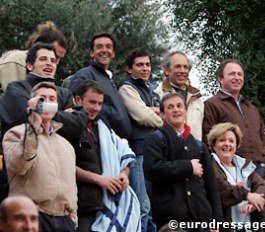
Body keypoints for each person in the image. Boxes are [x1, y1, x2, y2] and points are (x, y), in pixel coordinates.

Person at [0, 42, 87, 203]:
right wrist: (62, 115)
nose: (49, 63)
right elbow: (21, 116)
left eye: (53, 60)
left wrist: (41, 110)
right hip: (24, 181)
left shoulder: (65, 93)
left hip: (59, 187)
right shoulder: (16, 88)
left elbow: (79, 124)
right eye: (43, 59)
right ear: (29, 65)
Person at [2, 82, 77, 232]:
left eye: (52, 99)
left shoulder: (66, 145)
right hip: (31, 218)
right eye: (42, 98)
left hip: (64, 222)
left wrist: (73, 218)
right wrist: (34, 126)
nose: (47, 102)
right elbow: (19, 165)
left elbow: (72, 187)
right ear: (32, 103)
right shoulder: (16, 133)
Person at [143, 92, 223, 231]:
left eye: (179, 106)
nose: (176, 110)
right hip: (171, 219)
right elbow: (152, 169)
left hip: (200, 218)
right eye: (170, 107)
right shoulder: (155, 140)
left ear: (186, 112)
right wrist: (188, 167)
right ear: (162, 115)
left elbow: (211, 185)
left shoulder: (199, 146)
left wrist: (216, 220)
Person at [74, 80, 140, 232]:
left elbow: (124, 152)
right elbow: (63, 166)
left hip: (105, 201)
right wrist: (99, 179)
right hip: (82, 206)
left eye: (99, 103)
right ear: (78, 100)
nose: (96, 108)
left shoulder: (104, 128)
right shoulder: (69, 127)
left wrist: (124, 174)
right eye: (92, 102)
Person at [118, 48, 162, 232]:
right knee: (142, 207)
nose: (145, 68)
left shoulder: (154, 90)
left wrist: (153, 109)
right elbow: (142, 116)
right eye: (140, 65)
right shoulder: (127, 88)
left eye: (148, 64)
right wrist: (163, 115)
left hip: (157, 154)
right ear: (130, 69)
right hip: (139, 154)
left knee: (154, 208)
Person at [202, 59, 265, 175]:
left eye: (240, 74)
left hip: (259, 169)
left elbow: (263, 138)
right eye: (232, 74)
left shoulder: (252, 109)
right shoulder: (212, 105)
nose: (237, 77)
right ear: (220, 79)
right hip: (231, 169)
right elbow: (207, 139)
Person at [69, 32, 131, 140]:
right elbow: (76, 106)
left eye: (108, 47)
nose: (104, 50)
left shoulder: (109, 79)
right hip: (98, 141)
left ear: (113, 53)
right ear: (92, 53)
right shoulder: (85, 75)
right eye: (99, 47)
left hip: (116, 142)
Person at [207, 122, 265, 231]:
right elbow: (221, 189)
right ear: (214, 145)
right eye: (222, 140)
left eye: (231, 141)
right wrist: (247, 195)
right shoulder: (210, 167)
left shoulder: (244, 165)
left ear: (237, 145)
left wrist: (254, 202)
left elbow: (261, 185)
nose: (227, 144)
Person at [0, 21, 66, 94]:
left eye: (59, 59)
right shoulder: (17, 60)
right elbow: (11, 96)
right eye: (56, 56)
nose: (57, 62)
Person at [155, 51, 204, 140]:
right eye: (178, 66)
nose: (182, 71)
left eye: (185, 67)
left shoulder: (197, 98)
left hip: (194, 151)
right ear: (167, 70)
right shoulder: (157, 94)